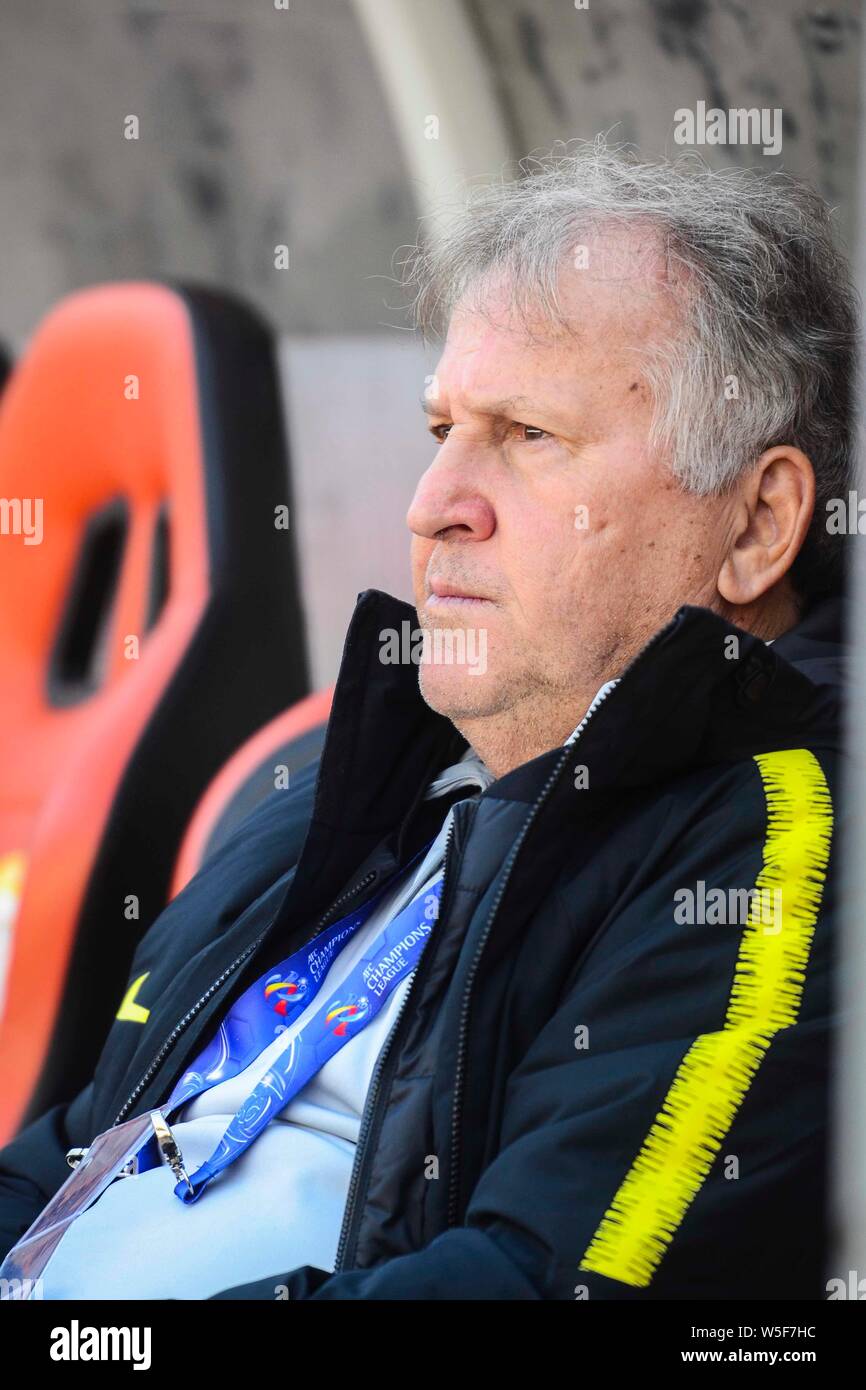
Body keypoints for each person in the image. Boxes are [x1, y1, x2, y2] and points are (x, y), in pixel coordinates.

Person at [0, 137, 855, 1300]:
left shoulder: (781, 841)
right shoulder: (337, 786)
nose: (432, 505)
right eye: (439, 430)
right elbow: (68, 1156)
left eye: (528, 437)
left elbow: (540, 1288)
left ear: (756, 525)